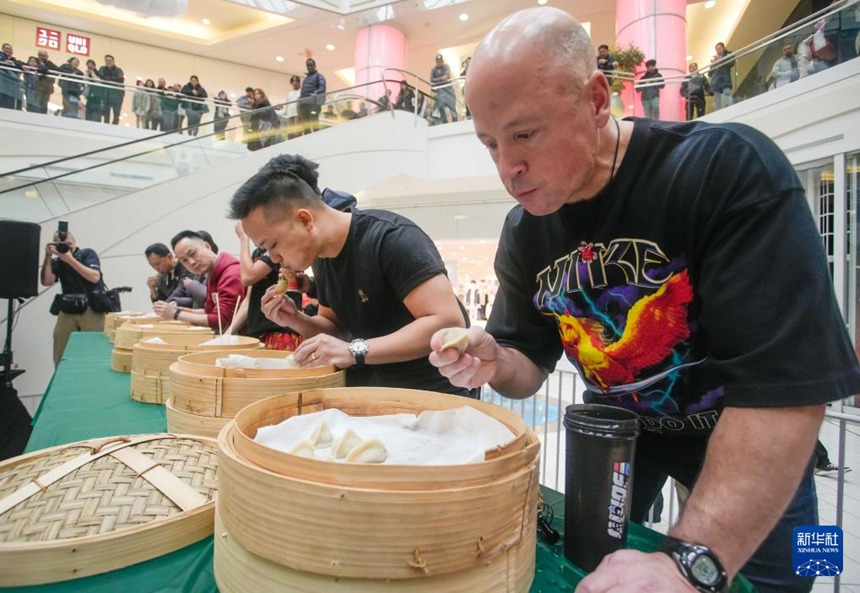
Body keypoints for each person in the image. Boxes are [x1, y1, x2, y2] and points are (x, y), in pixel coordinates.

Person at [429, 7, 860, 593]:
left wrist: (691, 561)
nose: (509, 167)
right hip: (623, 438)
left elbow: (789, 391)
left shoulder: (727, 166)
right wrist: (494, 360)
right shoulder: (525, 230)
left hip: (746, 436)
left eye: (525, 134)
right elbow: (525, 361)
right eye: (489, 144)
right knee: (596, 565)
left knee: (801, 575)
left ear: (597, 99)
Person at [230, 154, 470, 396]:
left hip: (431, 395)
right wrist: (296, 320)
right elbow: (337, 329)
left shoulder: (390, 238)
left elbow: (448, 321)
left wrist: (354, 351)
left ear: (304, 219)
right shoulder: (321, 258)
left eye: (271, 245)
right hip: (373, 393)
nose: (272, 258)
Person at [227, 222, 303, 351]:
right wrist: (228, 333)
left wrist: (243, 239)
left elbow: (247, 277)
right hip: (259, 331)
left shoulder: (276, 249)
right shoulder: (258, 252)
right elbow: (248, 300)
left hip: (280, 332)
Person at [40, 229, 109, 366]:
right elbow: (47, 281)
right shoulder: (58, 261)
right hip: (68, 309)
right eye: (62, 245)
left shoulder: (87, 254)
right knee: (61, 348)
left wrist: (70, 260)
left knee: (94, 350)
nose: (66, 247)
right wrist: (48, 257)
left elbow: (94, 277)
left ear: (75, 241)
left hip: (91, 308)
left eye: (69, 243)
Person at [152, 230, 242, 331]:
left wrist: (176, 314)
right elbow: (209, 311)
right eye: (184, 260)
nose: (191, 262)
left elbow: (221, 320)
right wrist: (179, 310)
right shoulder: (212, 273)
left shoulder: (231, 273)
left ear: (207, 246)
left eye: (193, 253)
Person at [299, 58, 326, 134]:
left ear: (315, 65)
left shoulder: (319, 76)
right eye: (308, 65)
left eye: (311, 65)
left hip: (313, 104)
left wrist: (315, 93)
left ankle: (316, 141)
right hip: (304, 105)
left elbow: (322, 88)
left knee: (314, 123)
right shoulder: (306, 79)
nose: (309, 67)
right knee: (305, 126)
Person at [97, 54, 124, 125]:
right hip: (106, 94)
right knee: (105, 112)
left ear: (113, 61)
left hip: (117, 95)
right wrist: (113, 79)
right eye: (107, 60)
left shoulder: (118, 70)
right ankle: (106, 125)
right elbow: (101, 76)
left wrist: (108, 78)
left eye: (110, 60)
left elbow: (121, 79)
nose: (108, 62)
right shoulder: (102, 68)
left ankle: (115, 126)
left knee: (116, 112)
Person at [430, 53, 457, 124]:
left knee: (452, 108)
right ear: (436, 61)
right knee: (441, 106)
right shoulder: (433, 69)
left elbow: (446, 76)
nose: (439, 62)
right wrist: (441, 79)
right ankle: (444, 121)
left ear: (442, 61)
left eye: (440, 61)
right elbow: (432, 79)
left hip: (449, 90)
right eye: (438, 61)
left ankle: (455, 121)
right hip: (440, 91)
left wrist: (438, 79)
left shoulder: (446, 66)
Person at [709, 42, 735, 110]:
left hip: (724, 78)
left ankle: (731, 109)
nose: (718, 51)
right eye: (717, 50)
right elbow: (710, 74)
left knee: (727, 93)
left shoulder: (728, 54)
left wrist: (720, 60)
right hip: (715, 81)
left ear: (723, 48)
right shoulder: (715, 59)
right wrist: (712, 64)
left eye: (719, 49)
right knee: (717, 98)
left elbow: (731, 63)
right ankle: (718, 113)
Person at [33, 49, 59, 114]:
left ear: (47, 56)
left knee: (44, 104)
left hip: (46, 88)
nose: (41, 57)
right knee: (35, 103)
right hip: (35, 87)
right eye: (40, 55)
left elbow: (57, 71)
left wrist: (42, 65)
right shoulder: (35, 62)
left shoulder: (50, 64)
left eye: (43, 56)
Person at [0, 42, 23, 110]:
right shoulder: (1, 56)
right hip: (2, 85)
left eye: (10, 49)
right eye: (6, 48)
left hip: (11, 88)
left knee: (8, 106)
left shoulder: (15, 61)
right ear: (2, 49)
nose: (8, 50)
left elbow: (24, 66)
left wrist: (13, 63)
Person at [284, 75, 301, 139]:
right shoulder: (289, 93)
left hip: (298, 113)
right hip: (290, 114)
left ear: (299, 82)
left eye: (296, 81)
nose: (295, 82)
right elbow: (287, 104)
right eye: (293, 81)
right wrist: (284, 113)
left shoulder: (301, 92)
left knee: (297, 132)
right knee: (290, 133)